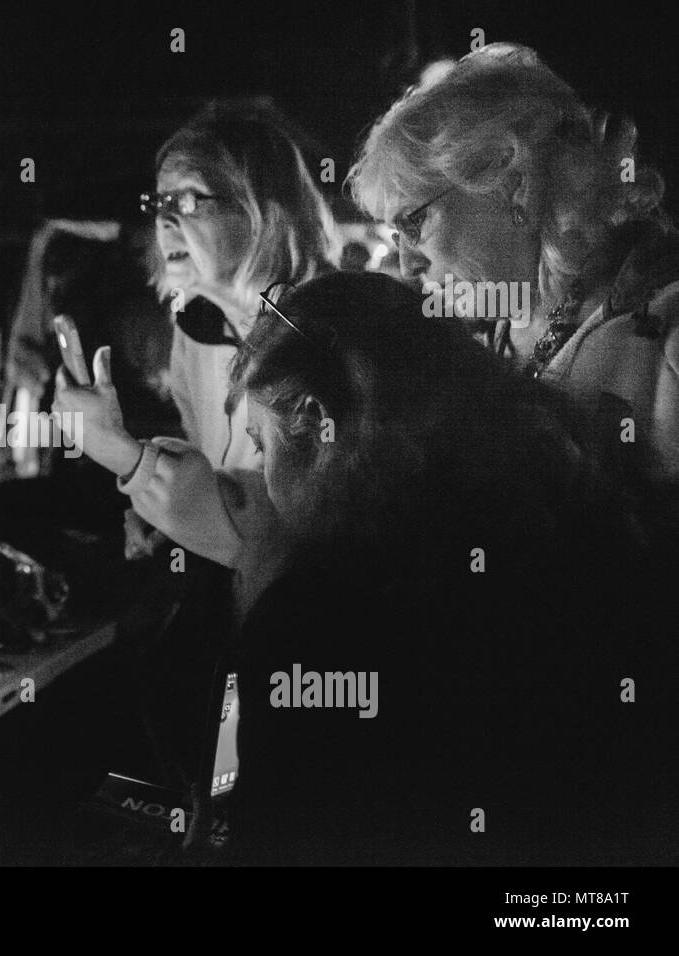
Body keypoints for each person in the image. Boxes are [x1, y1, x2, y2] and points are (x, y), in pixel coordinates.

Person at [219, 271, 679, 865]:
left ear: (318, 422)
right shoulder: (574, 503)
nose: (260, 476)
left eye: (261, 444)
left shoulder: (316, 621)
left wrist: (252, 586)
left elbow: (254, 825)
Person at [54, 101, 340, 624]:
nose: (163, 220)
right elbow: (219, 476)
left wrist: (128, 459)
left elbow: (280, 532)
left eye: (189, 200)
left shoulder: (323, 338)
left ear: (263, 211)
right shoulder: (197, 332)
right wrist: (166, 517)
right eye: (159, 201)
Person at [347, 42, 679, 484]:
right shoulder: (487, 340)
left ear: (511, 181)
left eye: (413, 222)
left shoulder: (669, 329)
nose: (406, 264)